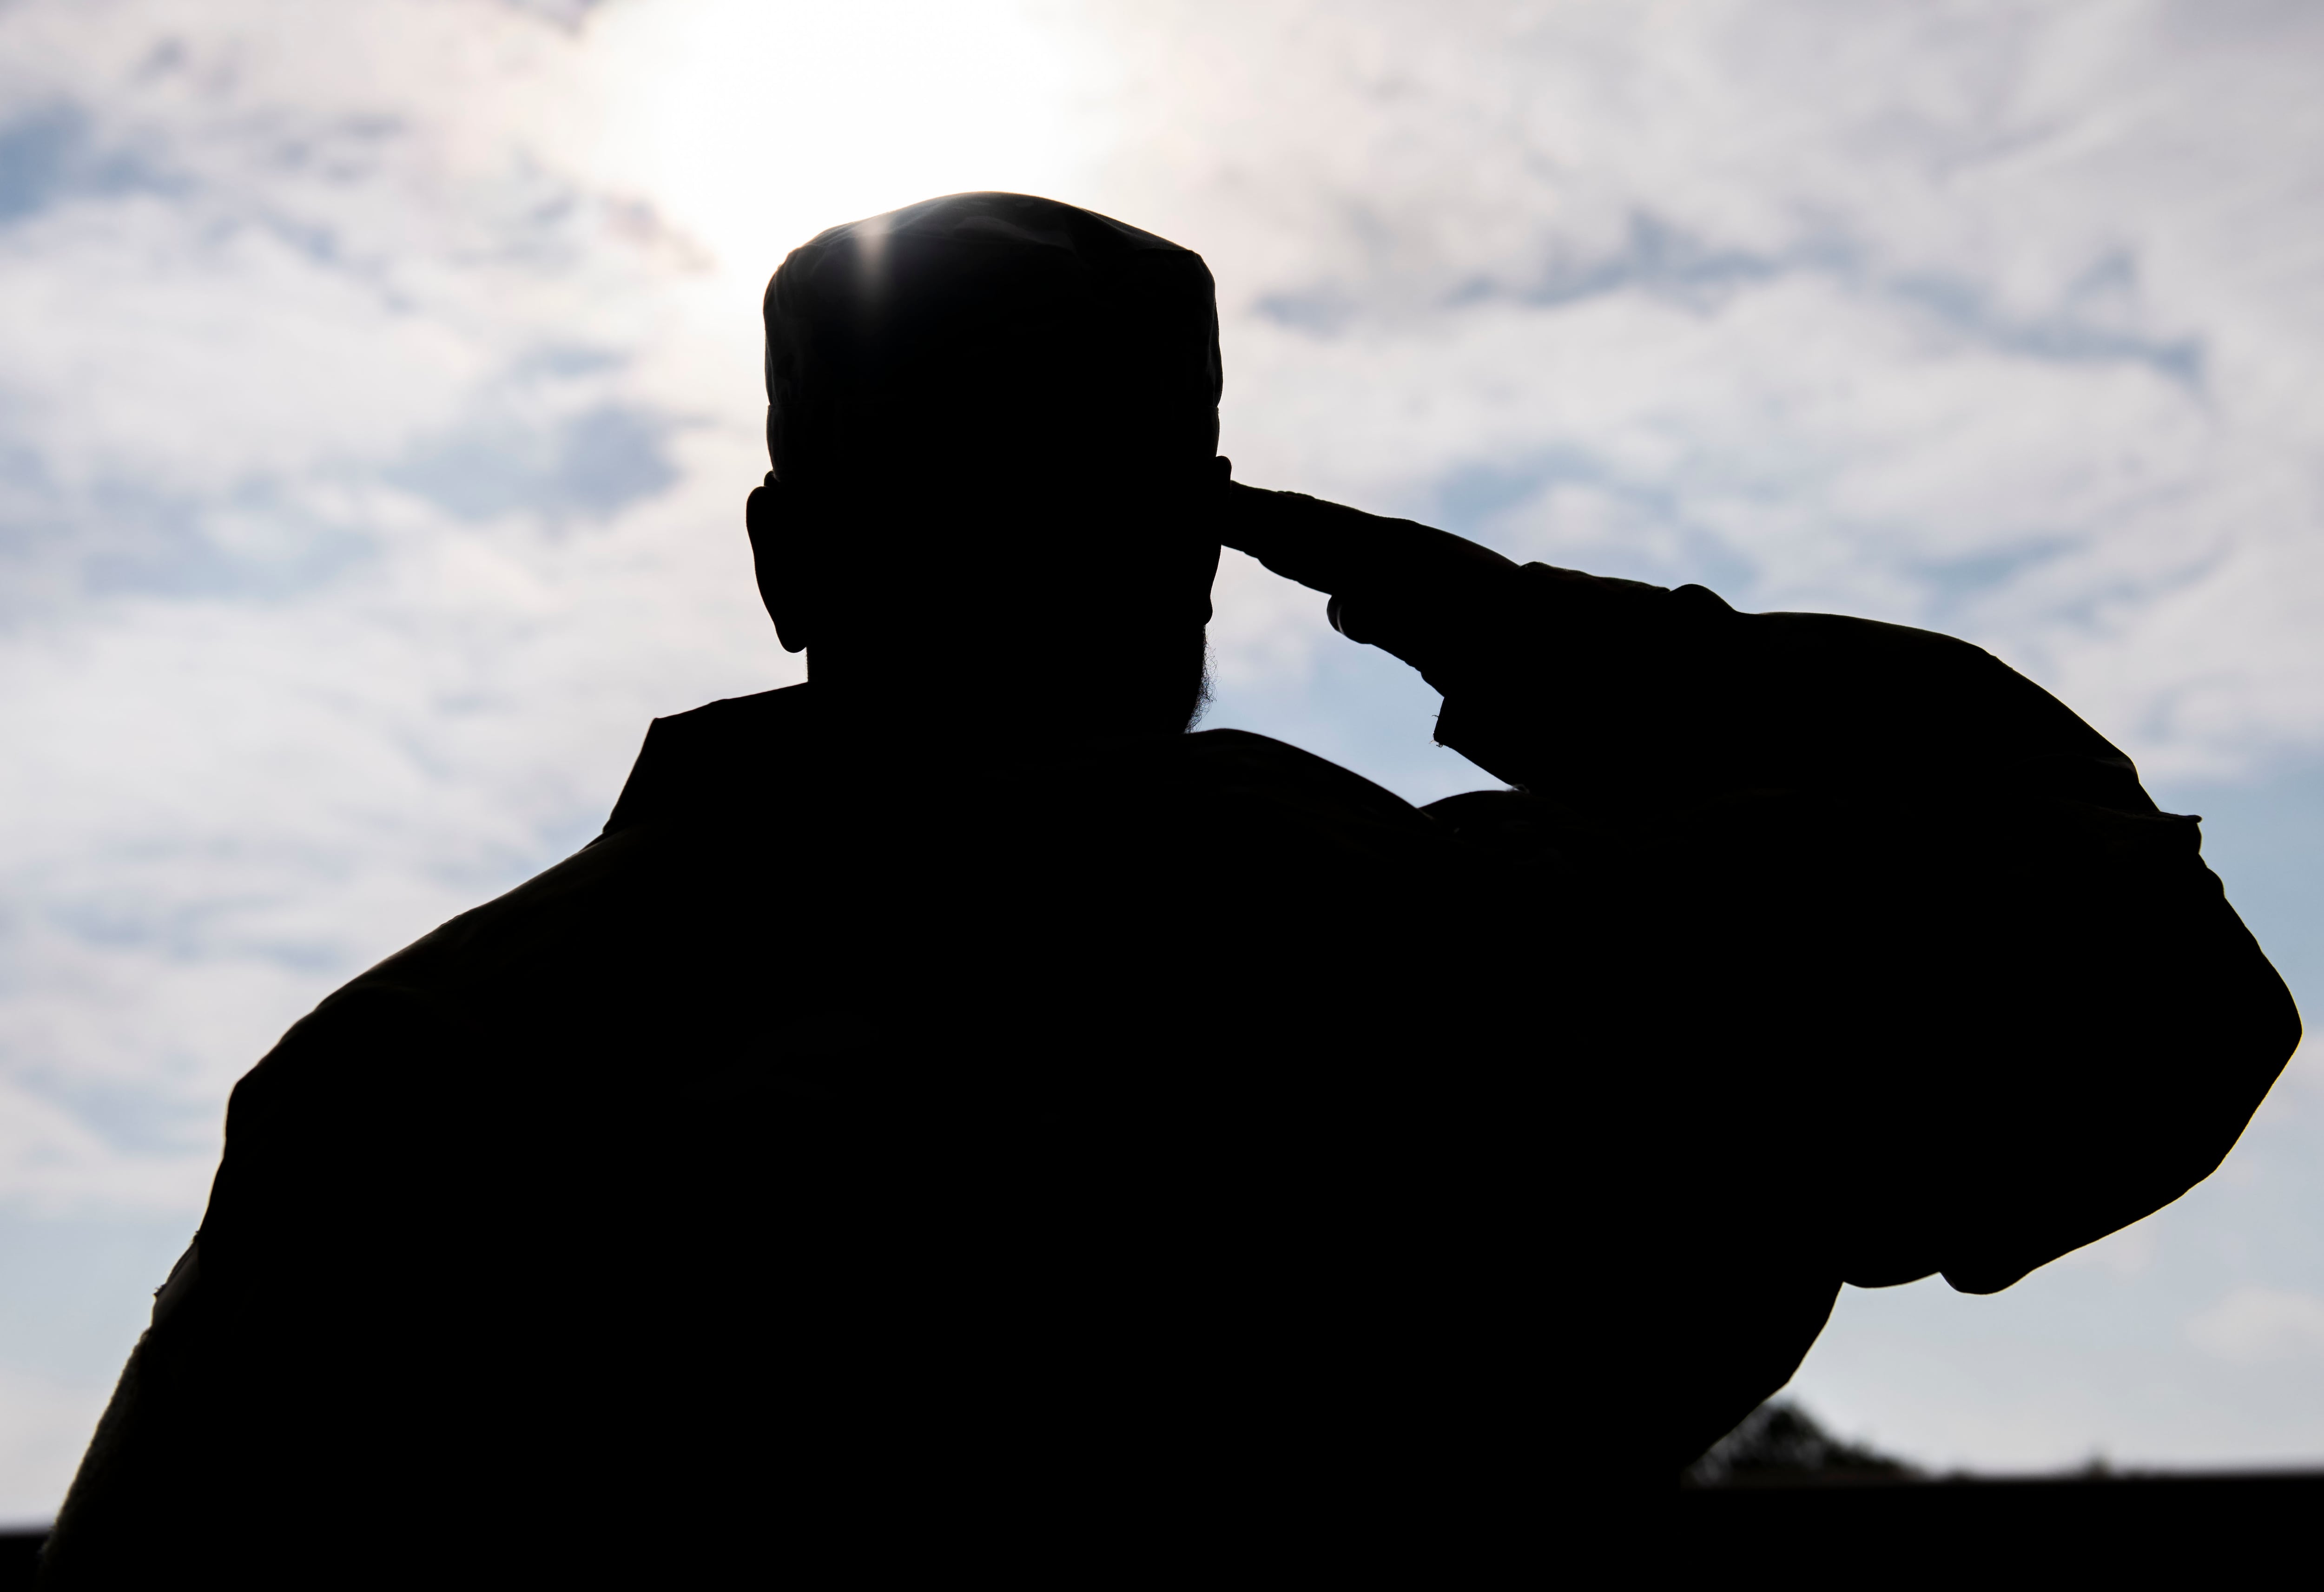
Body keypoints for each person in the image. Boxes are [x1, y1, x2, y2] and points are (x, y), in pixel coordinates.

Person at [40, 192, 2298, 1581]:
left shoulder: (420, 1077)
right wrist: (1545, 641)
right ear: (1198, 555)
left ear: (783, 560)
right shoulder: (1438, 965)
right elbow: (2147, 963)